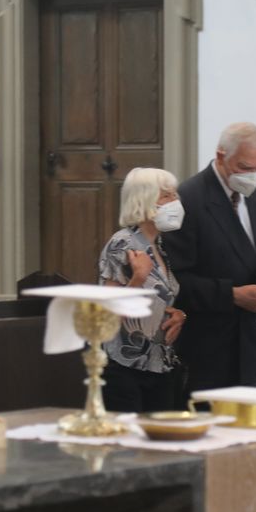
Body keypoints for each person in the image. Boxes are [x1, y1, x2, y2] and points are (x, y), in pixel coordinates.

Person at [164, 123, 256, 394]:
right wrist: (232, 295)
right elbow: (175, 278)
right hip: (206, 343)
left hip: (251, 339)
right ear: (221, 156)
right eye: (245, 168)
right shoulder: (189, 198)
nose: (252, 176)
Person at [97, 168, 188, 413]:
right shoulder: (122, 244)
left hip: (159, 364)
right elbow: (107, 315)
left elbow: (157, 299)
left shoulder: (160, 246)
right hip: (126, 367)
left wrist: (179, 315)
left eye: (175, 195)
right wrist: (138, 277)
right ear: (145, 200)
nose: (176, 202)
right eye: (167, 196)